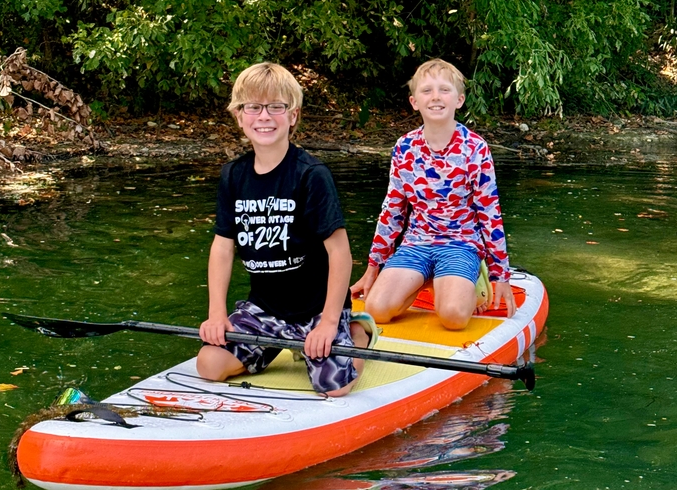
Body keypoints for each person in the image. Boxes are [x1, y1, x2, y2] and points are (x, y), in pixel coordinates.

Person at [197, 62, 371, 397]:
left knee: (334, 387)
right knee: (209, 365)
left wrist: (329, 322)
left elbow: (340, 252)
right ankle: (276, 345)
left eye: (276, 107)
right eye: (253, 107)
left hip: (317, 309)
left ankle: (356, 333)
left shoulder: (311, 175)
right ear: (239, 116)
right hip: (265, 310)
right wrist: (216, 314)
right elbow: (222, 247)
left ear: (293, 116)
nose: (264, 116)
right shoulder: (233, 175)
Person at [351, 58, 516, 330]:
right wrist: (373, 267)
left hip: (461, 244)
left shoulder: (475, 148)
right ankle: (425, 278)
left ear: (459, 100)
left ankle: (471, 279)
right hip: (416, 243)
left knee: (452, 317)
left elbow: (490, 214)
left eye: (444, 90)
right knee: (376, 309)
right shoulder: (404, 148)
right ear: (414, 101)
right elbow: (392, 210)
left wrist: (501, 275)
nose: (436, 97)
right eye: (427, 90)